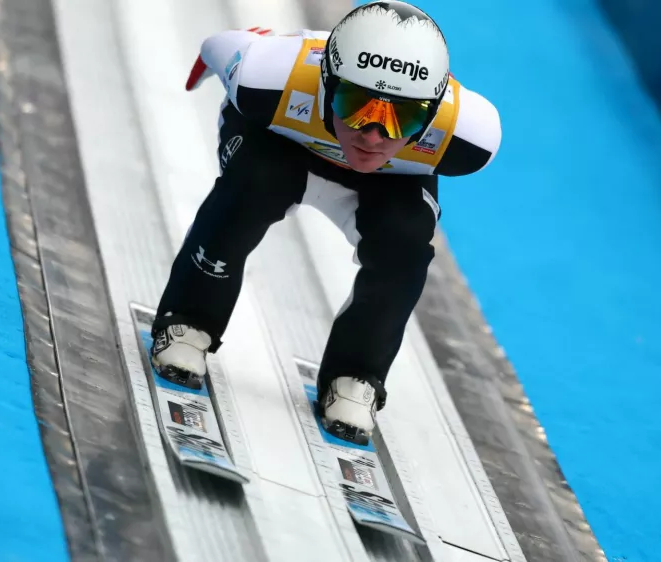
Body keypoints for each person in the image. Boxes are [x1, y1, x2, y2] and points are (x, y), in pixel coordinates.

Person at [149, 1, 502, 444]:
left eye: (402, 117)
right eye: (356, 105)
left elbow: (214, 47)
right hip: (278, 149)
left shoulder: (470, 136)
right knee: (251, 186)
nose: (372, 135)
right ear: (326, 82)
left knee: (405, 242)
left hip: (385, 181)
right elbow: (217, 46)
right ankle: (188, 320)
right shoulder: (265, 76)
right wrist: (242, 50)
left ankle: (356, 374)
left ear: (431, 115)